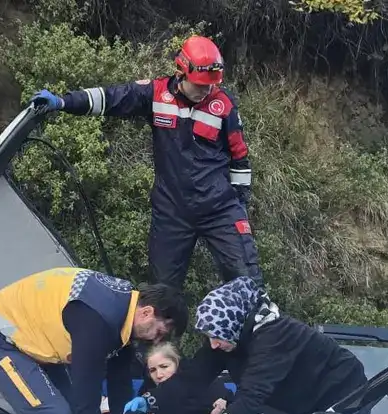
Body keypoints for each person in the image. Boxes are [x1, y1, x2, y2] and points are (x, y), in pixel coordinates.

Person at [29, 35, 262, 291]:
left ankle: (259, 327)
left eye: (210, 85)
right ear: (181, 72)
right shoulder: (156, 94)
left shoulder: (224, 105)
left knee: (247, 283)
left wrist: (239, 203)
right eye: (200, 85)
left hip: (219, 209)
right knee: (161, 293)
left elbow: (240, 156)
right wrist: (63, 102)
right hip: (172, 212)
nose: (206, 90)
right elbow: (111, 98)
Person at [161, 276, 371, 414]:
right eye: (208, 337)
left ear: (232, 324)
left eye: (216, 336)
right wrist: (154, 403)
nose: (213, 344)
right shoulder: (228, 337)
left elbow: (251, 398)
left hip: (343, 392)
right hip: (301, 402)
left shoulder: (275, 335)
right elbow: (193, 376)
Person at [0, 267, 187, 414]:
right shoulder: (98, 319)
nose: (157, 340)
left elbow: (119, 380)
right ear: (147, 313)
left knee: (75, 413)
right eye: (160, 332)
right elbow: (86, 389)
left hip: (37, 342)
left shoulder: (125, 309)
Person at [121, 341, 234, 414]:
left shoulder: (207, 384)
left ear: (177, 364)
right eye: (152, 370)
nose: (159, 375)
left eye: (164, 367)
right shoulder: (147, 392)